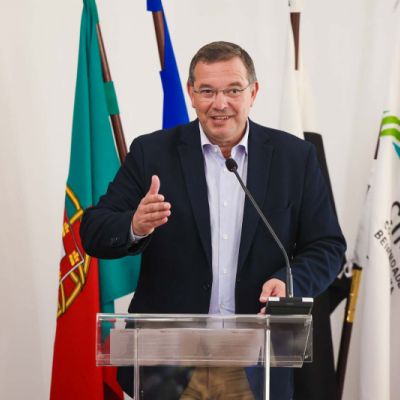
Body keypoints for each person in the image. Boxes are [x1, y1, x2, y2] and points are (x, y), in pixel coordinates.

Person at [80, 41, 346, 400]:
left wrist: (290, 282)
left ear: (253, 92)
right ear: (191, 93)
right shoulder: (152, 153)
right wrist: (134, 226)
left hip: (255, 363)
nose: (220, 103)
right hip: (168, 364)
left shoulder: (294, 158)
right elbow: (93, 230)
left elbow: (327, 246)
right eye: (207, 91)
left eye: (233, 90)